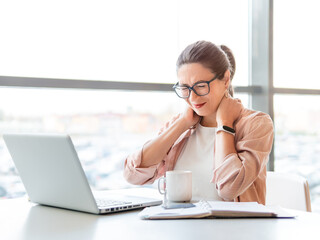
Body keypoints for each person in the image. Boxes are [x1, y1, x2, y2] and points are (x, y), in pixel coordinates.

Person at [123, 40, 274, 204]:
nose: (193, 97)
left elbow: (229, 188)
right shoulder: (182, 125)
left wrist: (224, 123)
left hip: (232, 229)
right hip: (179, 226)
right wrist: (182, 123)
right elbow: (132, 175)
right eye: (184, 88)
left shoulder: (256, 124)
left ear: (225, 79)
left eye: (201, 86)